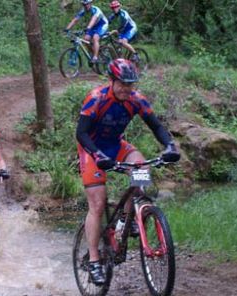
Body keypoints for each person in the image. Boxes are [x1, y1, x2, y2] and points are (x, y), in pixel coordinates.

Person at [75, 58, 180, 285]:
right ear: (111, 80)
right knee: (97, 204)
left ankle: (127, 216)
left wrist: (170, 146)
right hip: (91, 149)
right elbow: (81, 133)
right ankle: (94, 260)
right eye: (121, 83)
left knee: (141, 168)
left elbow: (157, 126)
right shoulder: (96, 98)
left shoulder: (136, 100)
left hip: (116, 145)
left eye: (130, 84)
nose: (126, 88)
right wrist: (98, 155)